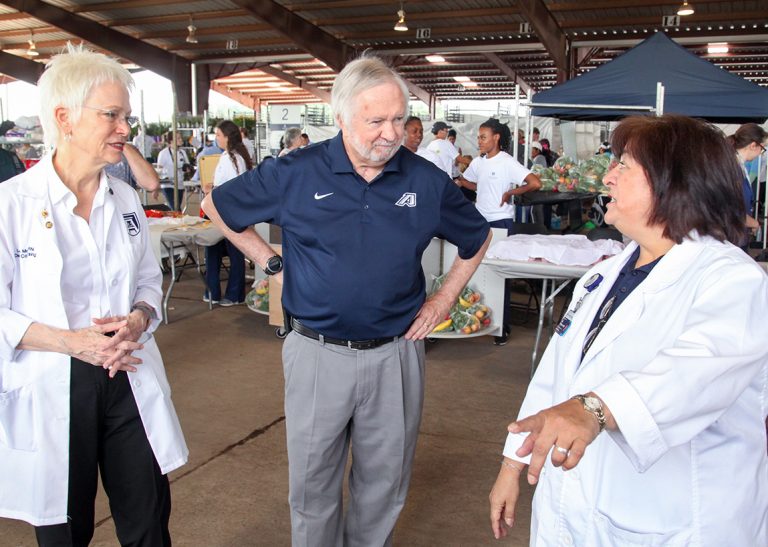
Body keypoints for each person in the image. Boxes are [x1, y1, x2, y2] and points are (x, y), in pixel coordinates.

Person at [202, 54, 490, 546]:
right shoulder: (296, 172)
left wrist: (443, 300)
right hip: (317, 352)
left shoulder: (424, 180)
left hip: (396, 354)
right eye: (375, 121)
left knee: (384, 485)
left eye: (398, 119)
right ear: (341, 117)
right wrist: (271, 263)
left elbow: (477, 236)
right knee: (312, 485)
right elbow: (217, 205)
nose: (390, 133)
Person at [488, 115, 768, 545]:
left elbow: (693, 373)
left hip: (677, 518)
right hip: (578, 503)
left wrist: (594, 409)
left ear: (674, 183)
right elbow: (555, 375)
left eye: (624, 165)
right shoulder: (604, 275)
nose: (608, 176)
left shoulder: (733, 280)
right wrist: (513, 463)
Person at [0, 44, 187, 546]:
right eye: (112, 115)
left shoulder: (123, 198)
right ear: (64, 118)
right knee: (65, 530)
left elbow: (148, 280)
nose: (125, 129)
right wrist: (72, 342)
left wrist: (139, 318)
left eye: (127, 117)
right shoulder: (10, 205)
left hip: (127, 372)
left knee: (148, 520)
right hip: (55, 381)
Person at [458, 117, 541, 232]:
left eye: (483, 137)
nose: (479, 142)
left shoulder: (507, 162)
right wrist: (469, 184)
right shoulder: (478, 162)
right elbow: (467, 181)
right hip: (480, 218)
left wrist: (510, 193)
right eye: (478, 138)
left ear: (496, 137)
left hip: (500, 220)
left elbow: (535, 183)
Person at [201, 120, 252, 306]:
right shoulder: (237, 156)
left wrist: (211, 189)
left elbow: (230, 188)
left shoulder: (230, 158)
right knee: (227, 252)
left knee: (219, 251)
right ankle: (223, 293)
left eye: (218, 135)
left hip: (224, 211)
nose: (216, 138)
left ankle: (226, 293)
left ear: (228, 137)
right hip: (230, 211)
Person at [727, 123, 767, 249]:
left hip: (735, 236)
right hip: (731, 238)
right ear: (753, 145)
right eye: (762, 148)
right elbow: (731, 210)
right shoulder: (732, 169)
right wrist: (754, 223)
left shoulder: (738, 166)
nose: (761, 154)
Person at [156, 130, 188, 210]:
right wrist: (155, 188)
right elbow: (158, 171)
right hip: (168, 185)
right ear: (171, 141)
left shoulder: (182, 152)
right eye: (178, 138)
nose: (181, 140)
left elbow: (187, 166)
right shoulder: (163, 153)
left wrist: (188, 169)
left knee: (175, 209)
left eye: (180, 138)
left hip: (180, 184)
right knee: (176, 209)